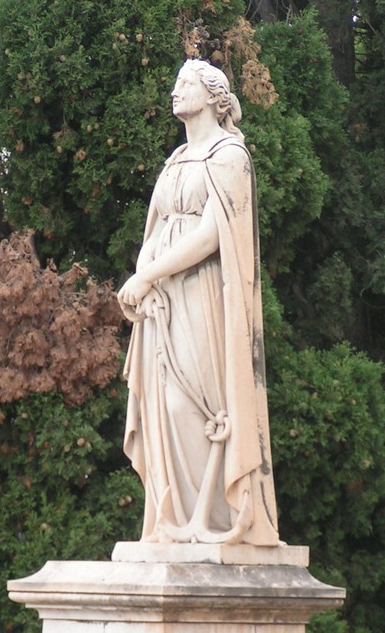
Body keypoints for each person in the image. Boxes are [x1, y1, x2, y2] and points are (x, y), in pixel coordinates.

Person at [118, 59, 280, 545]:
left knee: (195, 403)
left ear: (214, 95)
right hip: (164, 297)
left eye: (184, 83)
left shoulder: (231, 156)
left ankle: (212, 518)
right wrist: (143, 278)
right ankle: (173, 519)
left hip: (203, 292)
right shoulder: (174, 161)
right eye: (175, 83)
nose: (175, 91)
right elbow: (158, 226)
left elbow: (213, 233)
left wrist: (149, 272)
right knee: (160, 407)